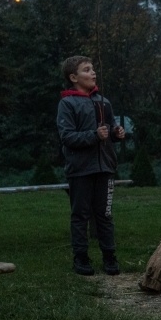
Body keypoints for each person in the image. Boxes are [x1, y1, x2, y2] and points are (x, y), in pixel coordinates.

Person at [57, 56, 125, 276]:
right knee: (81, 215)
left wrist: (115, 133)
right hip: (81, 170)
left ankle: (110, 257)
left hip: (105, 168)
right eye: (87, 70)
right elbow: (67, 137)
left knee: (105, 215)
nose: (93, 72)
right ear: (73, 77)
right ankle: (81, 258)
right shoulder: (67, 103)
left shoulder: (104, 102)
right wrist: (94, 135)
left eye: (93, 68)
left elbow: (109, 130)